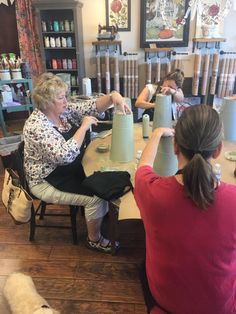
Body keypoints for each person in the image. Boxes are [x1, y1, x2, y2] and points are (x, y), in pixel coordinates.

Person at [134, 105, 236, 314]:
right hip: (220, 308)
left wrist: (156, 134)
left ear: (175, 146)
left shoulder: (151, 191)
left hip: (165, 306)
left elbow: (143, 166)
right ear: (217, 150)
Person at [23, 72, 131, 253]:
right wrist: (83, 127)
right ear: (47, 102)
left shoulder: (62, 112)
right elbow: (64, 156)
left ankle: (99, 216)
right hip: (46, 180)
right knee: (97, 197)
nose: (66, 101)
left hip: (65, 171)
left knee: (105, 179)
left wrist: (113, 96)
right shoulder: (36, 126)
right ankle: (93, 239)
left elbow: (90, 106)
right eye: (61, 97)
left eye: (65, 96)